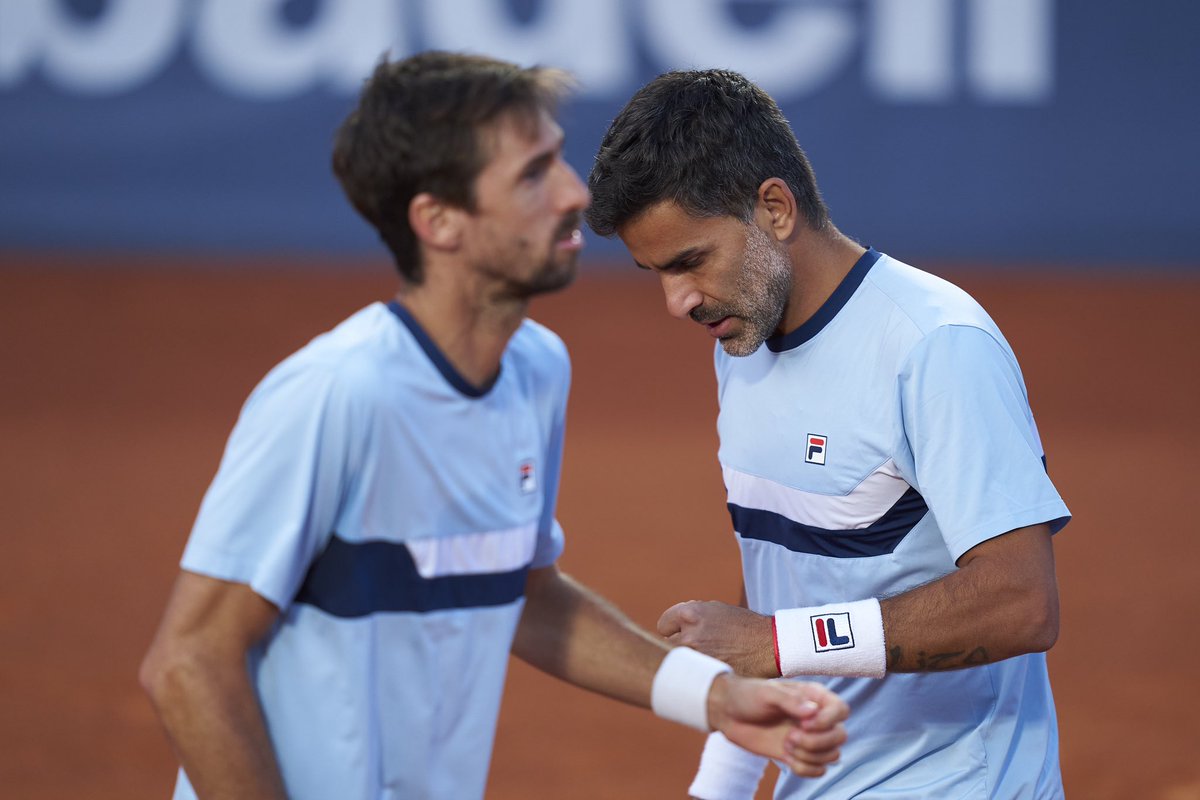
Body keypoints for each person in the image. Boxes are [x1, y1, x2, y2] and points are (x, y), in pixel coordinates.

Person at [137, 53, 851, 800]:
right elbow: (189, 662)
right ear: (438, 221)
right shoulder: (336, 394)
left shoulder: (535, 370)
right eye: (534, 174)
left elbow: (525, 595)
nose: (575, 192)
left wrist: (715, 696)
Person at [586, 68, 1071, 800]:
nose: (675, 301)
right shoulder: (741, 347)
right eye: (654, 273)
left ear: (774, 209)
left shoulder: (934, 344)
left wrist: (776, 642)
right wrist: (717, 787)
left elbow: (1021, 602)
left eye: (690, 262)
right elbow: (782, 597)